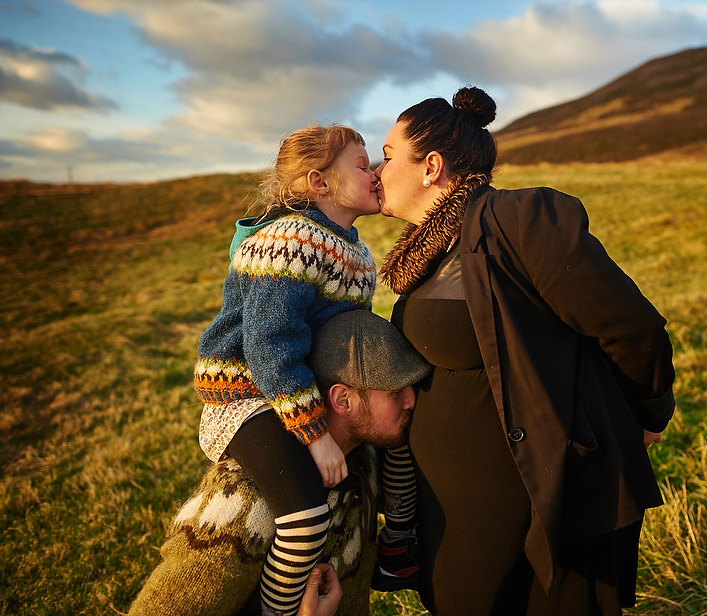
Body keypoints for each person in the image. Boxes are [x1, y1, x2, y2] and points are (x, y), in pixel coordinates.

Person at [374, 86, 677, 615]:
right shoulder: (425, 253)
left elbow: (632, 326)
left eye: (388, 156)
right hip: (455, 510)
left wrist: (648, 412)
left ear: (431, 167)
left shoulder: (520, 222)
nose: (379, 171)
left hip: (529, 501)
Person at [193, 124, 383, 616]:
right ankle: (277, 613)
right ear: (320, 183)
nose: (375, 174)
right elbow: (268, 345)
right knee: (304, 519)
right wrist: (316, 434)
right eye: (362, 166)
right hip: (243, 394)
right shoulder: (290, 241)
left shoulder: (356, 253)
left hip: (290, 389)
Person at [128, 309, 432, 616]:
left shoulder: (364, 462)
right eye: (395, 392)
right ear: (342, 400)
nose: (411, 400)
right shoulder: (242, 503)